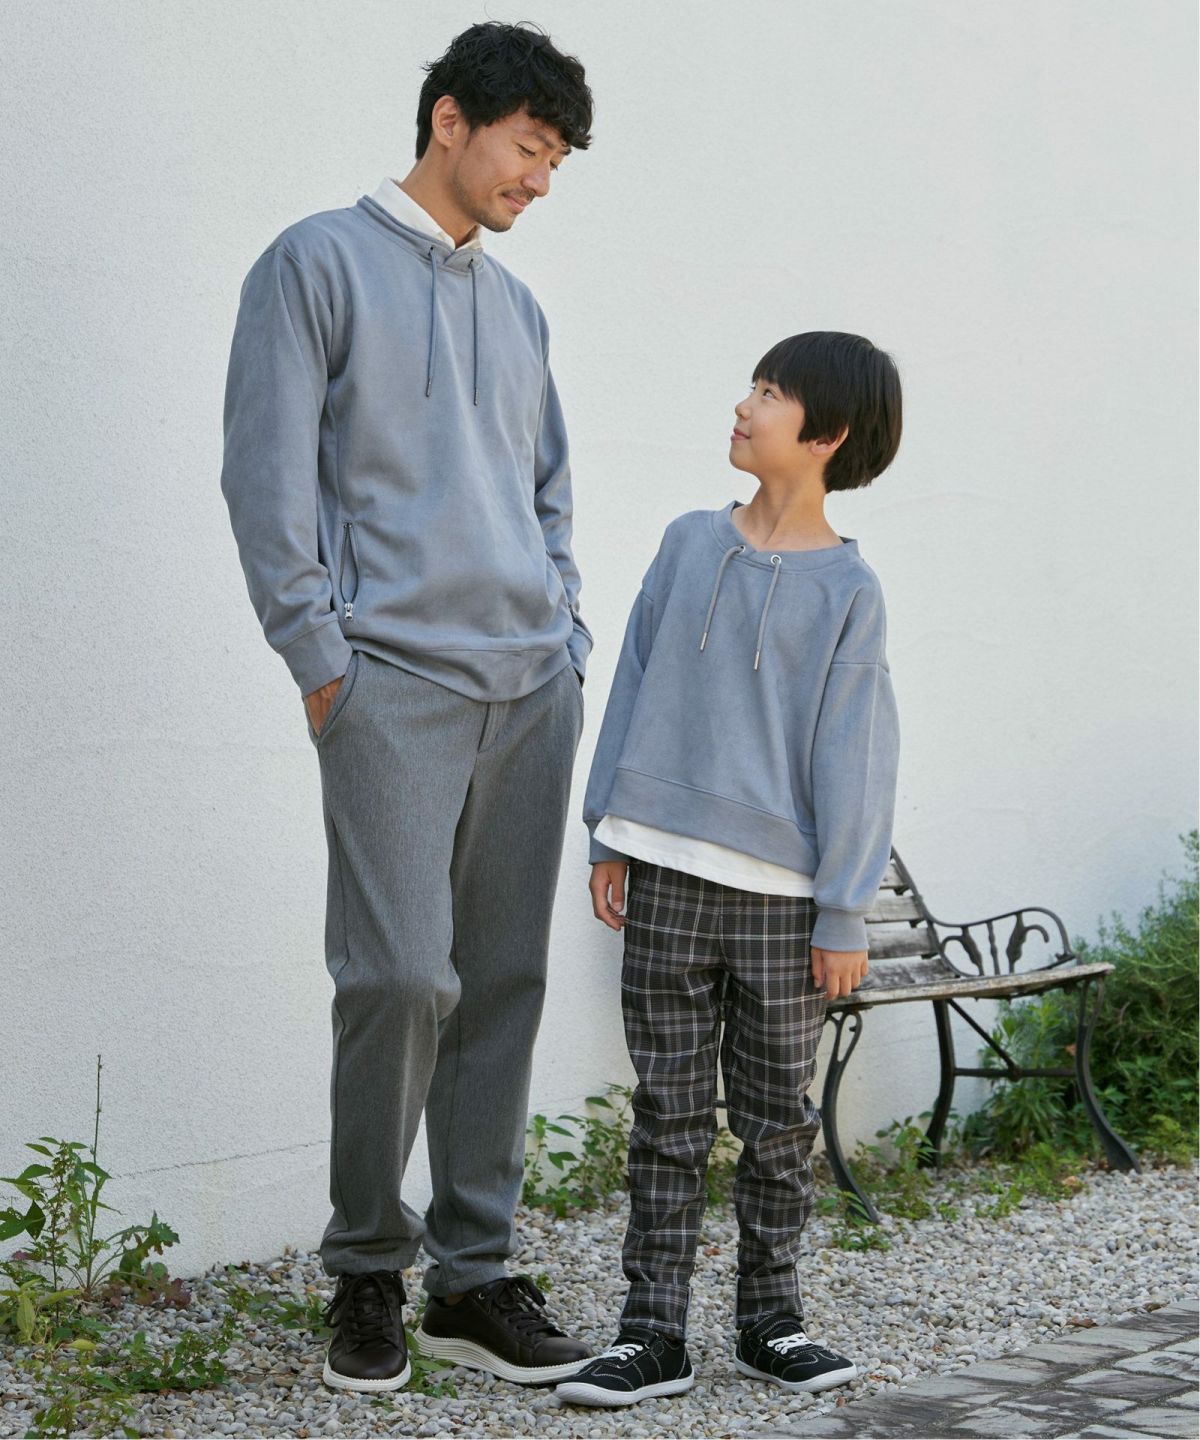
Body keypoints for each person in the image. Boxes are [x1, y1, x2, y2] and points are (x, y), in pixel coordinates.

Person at [219, 21, 596, 1394]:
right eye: (528, 149)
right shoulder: (314, 263)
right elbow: (265, 480)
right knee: (396, 978)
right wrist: (322, 661)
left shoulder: (519, 307)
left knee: (501, 982)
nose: (538, 181)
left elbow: (548, 490)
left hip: (531, 686)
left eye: (553, 163)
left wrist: (566, 628)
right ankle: (368, 1268)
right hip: (391, 682)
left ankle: (473, 1278)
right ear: (450, 119)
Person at [559, 331, 903, 1407]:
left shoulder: (849, 590)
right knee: (666, 1113)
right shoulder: (686, 542)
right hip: (663, 870)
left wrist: (844, 910)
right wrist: (609, 828)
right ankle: (651, 1332)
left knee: (775, 1122)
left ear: (827, 434)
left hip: (783, 902)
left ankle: (770, 1321)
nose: (745, 406)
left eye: (771, 393)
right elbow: (632, 678)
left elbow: (856, 755)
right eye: (751, 385)